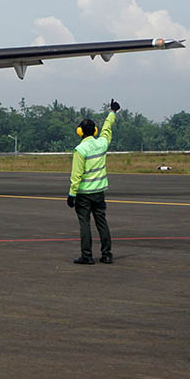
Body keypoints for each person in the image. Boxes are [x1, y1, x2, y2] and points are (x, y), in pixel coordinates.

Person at [67, 99, 120, 264]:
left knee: (85, 224)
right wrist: (112, 113)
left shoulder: (80, 150)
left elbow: (76, 175)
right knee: (101, 222)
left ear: (79, 132)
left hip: (83, 193)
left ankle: (87, 256)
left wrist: (71, 194)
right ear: (94, 131)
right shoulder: (102, 144)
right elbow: (107, 130)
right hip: (99, 192)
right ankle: (106, 254)